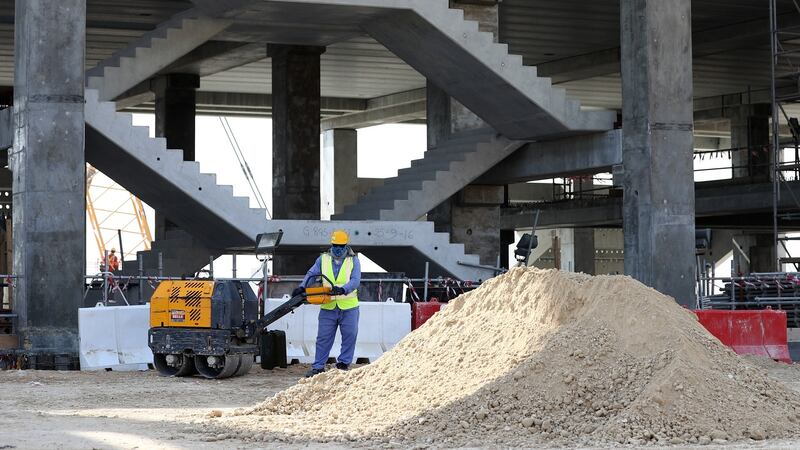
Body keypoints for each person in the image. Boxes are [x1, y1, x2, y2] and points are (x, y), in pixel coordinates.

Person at [294, 230, 360, 378]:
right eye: (335, 245)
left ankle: (343, 364)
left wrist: (343, 289)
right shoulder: (323, 259)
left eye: (341, 246)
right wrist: (302, 287)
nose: (337, 248)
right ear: (331, 244)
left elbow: (355, 280)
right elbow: (311, 274)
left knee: (350, 335)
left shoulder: (353, 260)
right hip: (328, 307)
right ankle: (318, 367)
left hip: (349, 306)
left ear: (346, 246)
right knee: (323, 338)